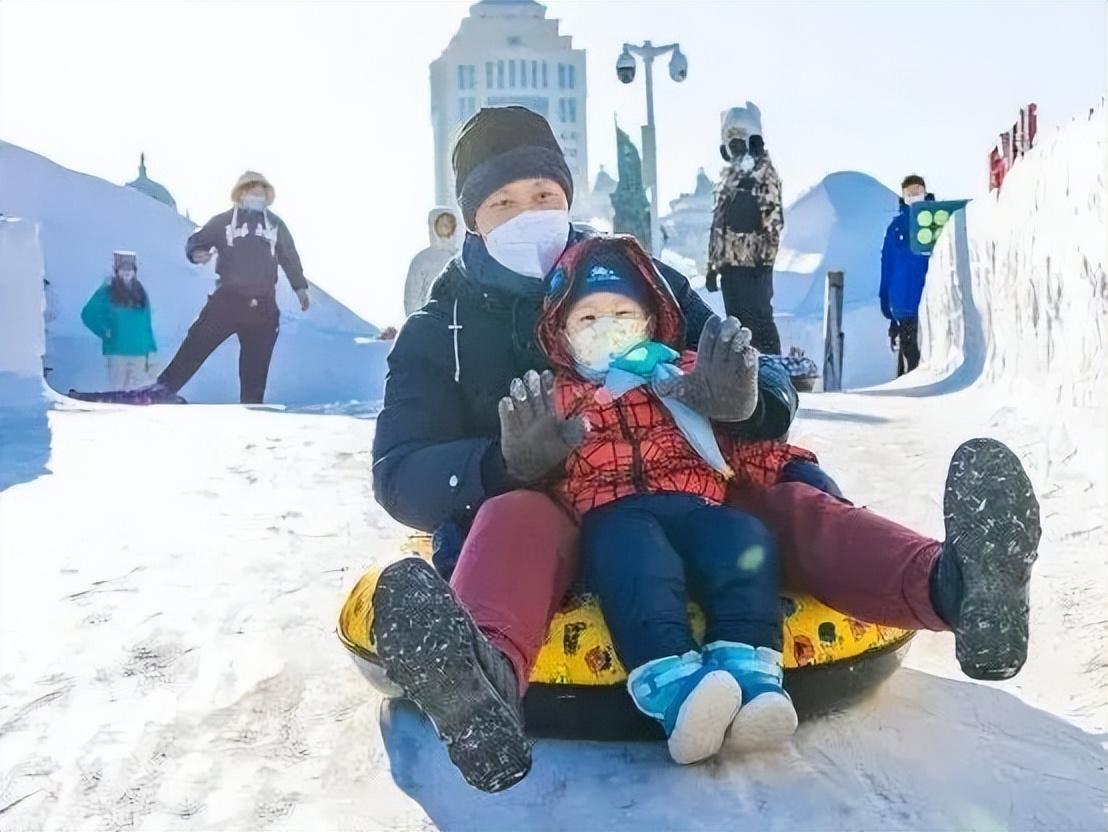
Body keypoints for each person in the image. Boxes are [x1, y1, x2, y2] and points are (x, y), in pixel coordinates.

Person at [368, 107, 1041, 793]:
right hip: (561, 507)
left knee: (782, 506)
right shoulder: (440, 328)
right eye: (503, 203)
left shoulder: (631, 278)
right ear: (471, 218)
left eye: (543, 196)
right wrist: (503, 463)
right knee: (518, 517)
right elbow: (398, 473)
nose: (528, 215)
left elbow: (756, 366)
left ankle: (960, 588)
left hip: (678, 481)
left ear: (567, 198)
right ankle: (480, 689)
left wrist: (743, 400)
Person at [531, 235, 800, 764]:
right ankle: (674, 688)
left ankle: (750, 673)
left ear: (649, 321)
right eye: (587, 319)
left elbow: (735, 440)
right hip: (614, 511)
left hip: (695, 500)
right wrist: (530, 450)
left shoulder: (683, 376)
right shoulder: (560, 395)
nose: (605, 326)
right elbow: (532, 463)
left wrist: (792, 464)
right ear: (561, 333)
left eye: (621, 313)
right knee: (637, 557)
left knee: (744, 538)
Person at [146, 171, 310, 403]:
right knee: (196, 344)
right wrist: (196, 253)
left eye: (260, 190)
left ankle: (251, 408)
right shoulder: (223, 221)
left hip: (263, 307)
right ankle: (163, 389)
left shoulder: (275, 225)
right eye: (251, 189)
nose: (256, 194)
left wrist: (300, 287)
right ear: (240, 193)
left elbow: (289, 255)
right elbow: (197, 239)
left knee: (255, 367)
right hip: (227, 301)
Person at [706, 102, 784, 355]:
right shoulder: (728, 178)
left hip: (754, 267)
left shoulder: (764, 173)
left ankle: (772, 371)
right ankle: (744, 375)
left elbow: (773, 220)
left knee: (760, 322)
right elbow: (718, 226)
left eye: (742, 143)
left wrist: (765, 263)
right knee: (737, 323)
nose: (737, 150)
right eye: (733, 145)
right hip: (731, 267)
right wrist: (712, 266)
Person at [881, 174, 935, 376]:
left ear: (925, 192)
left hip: (929, 298)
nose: (914, 196)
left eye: (917, 192)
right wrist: (886, 303)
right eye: (909, 193)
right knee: (910, 354)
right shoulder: (896, 228)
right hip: (905, 304)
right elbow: (886, 265)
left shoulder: (936, 223)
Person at [80, 251, 157, 391]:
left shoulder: (141, 292)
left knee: (138, 392)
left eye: (130, 269)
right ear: (116, 271)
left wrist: (151, 349)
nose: (127, 272)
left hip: (140, 351)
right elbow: (88, 314)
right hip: (118, 351)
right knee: (117, 391)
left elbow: (146, 323)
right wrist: (105, 331)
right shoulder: (107, 292)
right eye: (123, 269)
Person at [403, 208, 461, 316]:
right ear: (433, 225)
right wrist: (416, 324)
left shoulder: (461, 257)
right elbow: (412, 298)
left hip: (459, 323)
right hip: (430, 322)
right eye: (442, 223)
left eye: (449, 222)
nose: (446, 226)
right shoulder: (421, 260)